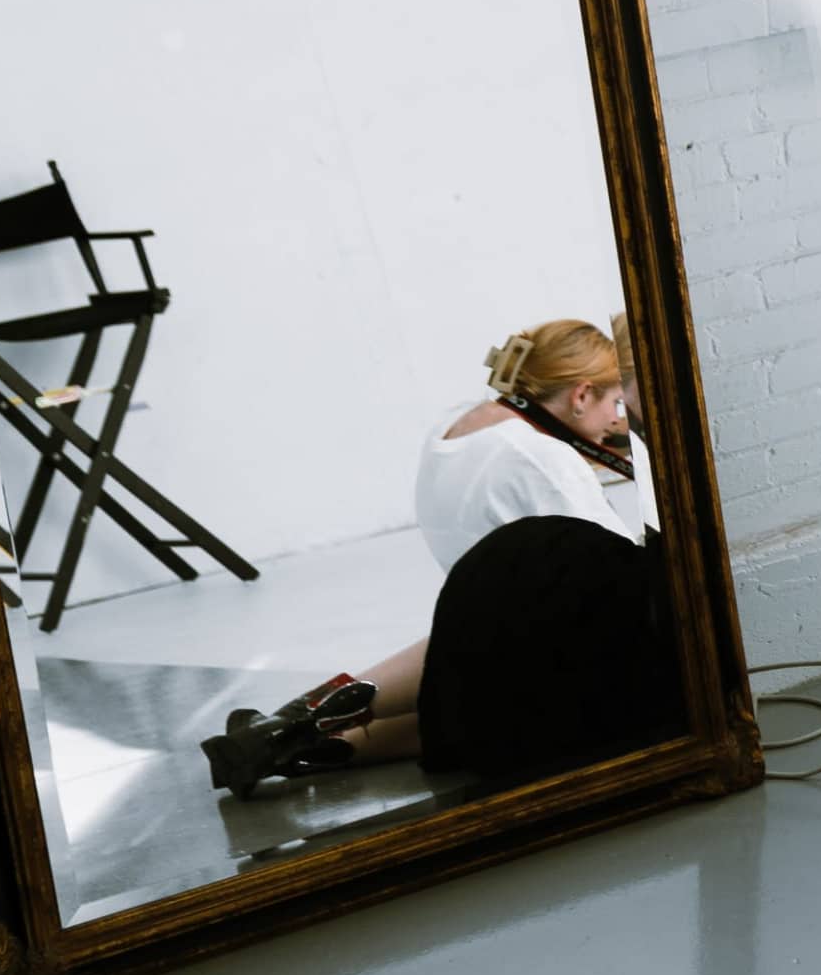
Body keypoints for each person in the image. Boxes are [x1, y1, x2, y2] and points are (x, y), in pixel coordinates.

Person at [200, 513, 681, 795]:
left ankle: (290, 722)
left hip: (528, 570)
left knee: (480, 658)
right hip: (604, 675)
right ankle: (316, 753)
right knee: (492, 712)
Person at [414, 319, 648, 570]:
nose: (615, 420)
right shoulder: (542, 457)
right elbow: (625, 574)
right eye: (616, 403)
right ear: (581, 395)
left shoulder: (453, 424)